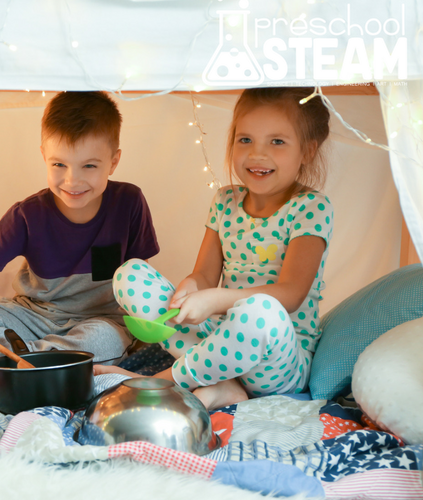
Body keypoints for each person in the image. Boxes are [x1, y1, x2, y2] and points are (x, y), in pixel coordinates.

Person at [102, 87, 333, 411]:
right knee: (130, 274)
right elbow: (204, 275)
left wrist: (214, 300)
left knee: (260, 312)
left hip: (278, 356)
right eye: (245, 139)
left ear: (307, 150)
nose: (258, 154)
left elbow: (291, 293)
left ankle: (167, 379)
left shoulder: (311, 207)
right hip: (221, 340)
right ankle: (224, 383)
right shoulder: (226, 201)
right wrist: (190, 290)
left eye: (277, 142)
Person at [0, 91, 159, 374]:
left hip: (99, 320)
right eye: (59, 164)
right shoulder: (28, 214)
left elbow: (141, 274)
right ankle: (39, 362)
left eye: (89, 165)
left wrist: (149, 321)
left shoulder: (129, 202)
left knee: (104, 341)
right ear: (44, 156)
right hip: (32, 316)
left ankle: (1, 360)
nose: (72, 180)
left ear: (113, 162)